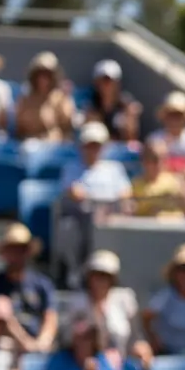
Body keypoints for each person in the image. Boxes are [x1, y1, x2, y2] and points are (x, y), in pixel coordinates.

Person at [56, 121, 133, 286]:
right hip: (81, 219)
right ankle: (76, 272)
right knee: (67, 228)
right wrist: (99, 201)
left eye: (96, 145)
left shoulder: (114, 169)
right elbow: (74, 192)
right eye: (89, 145)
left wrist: (105, 203)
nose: (92, 150)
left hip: (110, 217)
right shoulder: (71, 168)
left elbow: (126, 192)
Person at [67, 249, 153, 369]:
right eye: (96, 274)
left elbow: (135, 336)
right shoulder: (78, 302)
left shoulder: (125, 299)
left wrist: (140, 347)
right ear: (89, 277)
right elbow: (71, 340)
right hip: (88, 365)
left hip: (122, 362)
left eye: (105, 276)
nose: (100, 280)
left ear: (113, 279)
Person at [0, 222, 58, 353]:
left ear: (28, 252)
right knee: (0, 306)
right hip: (5, 344)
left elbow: (50, 316)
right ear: (4, 253)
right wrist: (23, 341)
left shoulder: (42, 283)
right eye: (12, 249)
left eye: (20, 249)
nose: (16, 255)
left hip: (37, 343)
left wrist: (43, 340)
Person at [44, 312, 128, 370]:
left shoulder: (101, 358)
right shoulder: (59, 359)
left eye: (88, 336)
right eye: (79, 337)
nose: (83, 342)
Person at [146, 91, 185, 182]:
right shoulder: (154, 138)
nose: (175, 119)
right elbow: (148, 169)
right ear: (165, 116)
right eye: (171, 115)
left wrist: (180, 173)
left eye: (179, 115)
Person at [14, 51, 75, 142]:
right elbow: (19, 129)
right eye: (40, 74)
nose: (43, 78)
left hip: (55, 146)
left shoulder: (61, 99)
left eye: (48, 74)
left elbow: (67, 128)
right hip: (30, 146)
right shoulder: (25, 100)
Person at [81, 59, 141, 144]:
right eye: (104, 81)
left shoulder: (125, 105)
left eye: (110, 81)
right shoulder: (90, 104)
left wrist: (130, 118)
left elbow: (131, 137)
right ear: (96, 82)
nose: (107, 85)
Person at [130, 137, 185, 218]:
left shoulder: (177, 181)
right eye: (154, 159)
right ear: (144, 160)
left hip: (173, 228)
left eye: (163, 158)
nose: (159, 163)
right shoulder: (135, 185)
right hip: (147, 228)